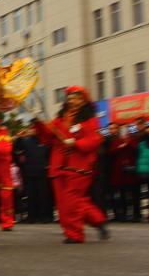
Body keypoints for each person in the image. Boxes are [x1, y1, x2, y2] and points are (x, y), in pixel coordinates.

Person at [36, 86, 109, 244]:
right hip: (58, 166)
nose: (72, 101)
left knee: (72, 201)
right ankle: (97, 220)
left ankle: (75, 234)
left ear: (84, 100)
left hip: (79, 167)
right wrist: (38, 122)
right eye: (70, 98)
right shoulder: (60, 118)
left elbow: (94, 140)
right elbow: (47, 137)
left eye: (76, 98)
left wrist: (76, 142)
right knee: (65, 203)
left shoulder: (90, 119)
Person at [14, 121, 51, 223]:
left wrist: (48, 165)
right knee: (31, 196)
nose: (33, 130)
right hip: (29, 172)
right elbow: (16, 149)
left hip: (43, 172)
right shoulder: (25, 140)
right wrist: (18, 137)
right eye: (32, 128)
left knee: (43, 196)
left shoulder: (46, 140)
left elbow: (51, 154)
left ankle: (44, 217)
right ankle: (31, 217)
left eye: (35, 128)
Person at [107, 122, 140, 222]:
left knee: (134, 194)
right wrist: (121, 146)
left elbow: (136, 151)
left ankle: (136, 215)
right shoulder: (116, 141)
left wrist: (128, 143)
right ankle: (123, 214)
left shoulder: (133, 140)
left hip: (131, 172)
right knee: (122, 195)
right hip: (119, 173)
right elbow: (111, 152)